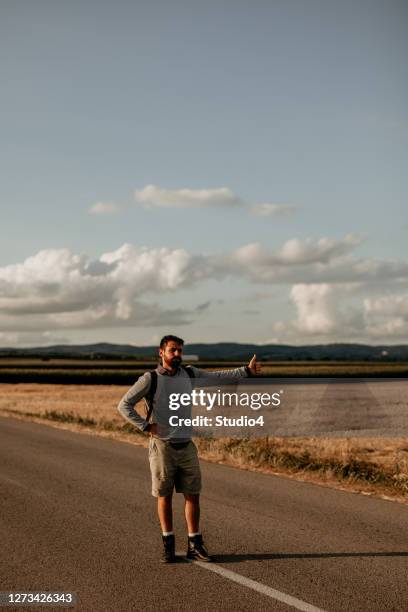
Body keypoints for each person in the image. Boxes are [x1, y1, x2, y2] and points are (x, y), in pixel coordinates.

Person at [117, 334, 261, 563]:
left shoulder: (190, 373)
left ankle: (195, 544)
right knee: (164, 496)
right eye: (173, 350)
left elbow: (217, 376)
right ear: (161, 352)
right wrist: (146, 426)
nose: (177, 355)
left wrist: (246, 370)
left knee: (192, 495)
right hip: (162, 447)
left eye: (180, 351)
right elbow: (124, 405)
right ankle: (168, 545)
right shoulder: (150, 379)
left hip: (187, 446)